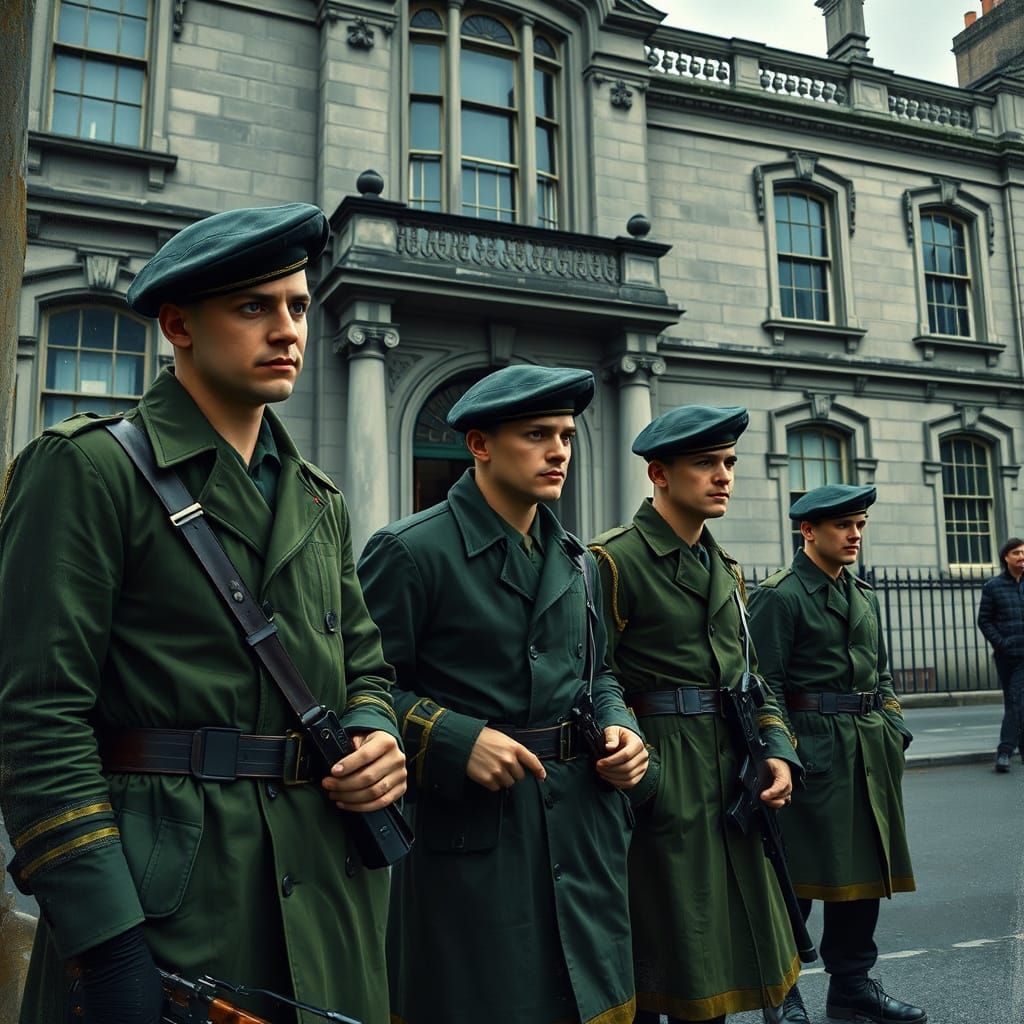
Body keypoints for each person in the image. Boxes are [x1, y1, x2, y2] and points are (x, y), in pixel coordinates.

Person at [0, 204, 406, 1024]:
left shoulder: (318, 500)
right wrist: (106, 944)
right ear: (179, 325)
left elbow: (364, 662)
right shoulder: (86, 470)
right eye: (254, 307)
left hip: (326, 891)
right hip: (167, 906)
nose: (288, 329)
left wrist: (378, 734)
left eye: (296, 305)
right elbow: (38, 720)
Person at [357, 364, 649, 1024]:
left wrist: (620, 725)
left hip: (581, 826)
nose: (558, 452)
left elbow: (598, 673)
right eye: (536, 434)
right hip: (473, 838)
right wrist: (453, 738)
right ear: (480, 445)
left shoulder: (575, 559)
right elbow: (358, 686)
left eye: (567, 437)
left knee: (590, 1002)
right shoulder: (411, 552)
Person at [588, 405, 802, 1024]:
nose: (723, 476)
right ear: (659, 472)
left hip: (730, 763)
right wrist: (638, 763)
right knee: (664, 948)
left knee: (721, 941)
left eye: (729, 463)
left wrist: (776, 748)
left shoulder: (725, 568)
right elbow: (589, 674)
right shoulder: (612, 560)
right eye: (705, 463)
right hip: (661, 764)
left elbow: (751, 677)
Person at [747, 485, 925, 1024]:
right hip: (810, 752)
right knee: (795, 878)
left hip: (868, 748)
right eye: (844, 525)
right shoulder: (779, 596)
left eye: (860, 524)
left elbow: (883, 672)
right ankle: (783, 992)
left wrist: (893, 726)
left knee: (862, 875)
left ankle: (851, 987)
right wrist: (782, 751)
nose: (854, 534)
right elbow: (763, 682)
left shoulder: (863, 593)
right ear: (808, 531)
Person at [977, 536, 1024, 773]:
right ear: (1006, 557)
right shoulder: (993, 587)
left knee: (1017, 702)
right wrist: (1002, 643)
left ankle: (1004, 751)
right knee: (1014, 702)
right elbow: (984, 621)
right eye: (1016, 552)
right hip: (1007, 655)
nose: (1022, 557)